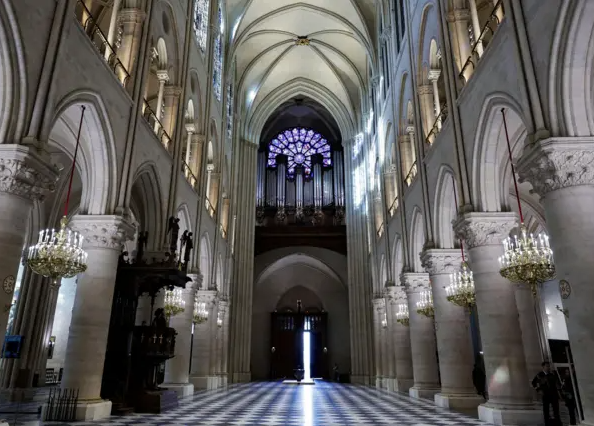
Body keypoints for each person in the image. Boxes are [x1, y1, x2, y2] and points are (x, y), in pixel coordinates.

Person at [532, 361, 562, 426]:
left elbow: (557, 383)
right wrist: (538, 389)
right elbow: (533, 383)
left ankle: (558, 423)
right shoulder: (540, 375)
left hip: (553, 394)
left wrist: (559, 393)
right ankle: (547, 423)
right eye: (547, 366)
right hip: (545, 395)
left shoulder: (552, 374)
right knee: (546, 410)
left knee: (556, 410)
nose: (548, 367)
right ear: (543, 367)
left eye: (549, 366)